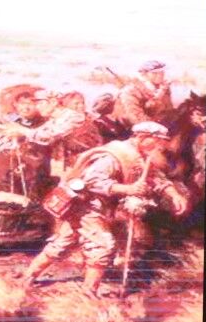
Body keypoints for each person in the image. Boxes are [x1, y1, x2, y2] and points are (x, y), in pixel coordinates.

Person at [21, 121, 176, 295]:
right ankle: (88, 292)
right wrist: (127, 189)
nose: (160, 146)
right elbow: (93, 181)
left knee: (63, 242)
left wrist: (173, 193)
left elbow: (154, 176)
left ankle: (28, 276)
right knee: (102, 245)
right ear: (142, 137)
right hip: (87, 207)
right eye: (157, 140)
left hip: (100, 208)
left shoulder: (139, 156)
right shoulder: (114, 155)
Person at [111, 60, 176, 128]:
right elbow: (136, 118)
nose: (160, 75)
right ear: (144, 75)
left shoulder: (164, 88)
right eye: (154, 73)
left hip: (160, 125)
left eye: (162, 72)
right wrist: (159, 96)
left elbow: (169, 111)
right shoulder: (131, 91)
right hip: (133, 128)